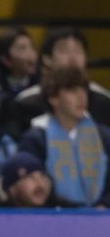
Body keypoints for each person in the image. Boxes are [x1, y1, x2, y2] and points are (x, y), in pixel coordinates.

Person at [18, 66, 110, 207]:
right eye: (72, 91)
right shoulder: (35, 138)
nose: (81, 97)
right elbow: (31, 186)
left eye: (83, 90)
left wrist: (104, 204)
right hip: (56, 217)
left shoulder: (104, 136)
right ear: (53, 98)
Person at [15, 27, 110, 133]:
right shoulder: (26, 101)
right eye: (65, 51)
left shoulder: (104, 99)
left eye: (78, 51)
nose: (73, 57)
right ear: (47, 59)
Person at [0, 151, 77, 208]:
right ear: (11, 189)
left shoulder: (65, 213)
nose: (40, 183)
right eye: (29, 177)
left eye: (42, 176)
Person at [0, 27, 38, 97]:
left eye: (32, 47)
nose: (31, 54)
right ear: (6, 59)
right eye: (22, 48)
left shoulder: (42, 84)